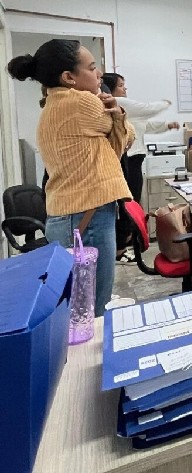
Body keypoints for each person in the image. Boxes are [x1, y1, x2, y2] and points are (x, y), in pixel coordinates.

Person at [8, 39, 132, 316]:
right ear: (69, 77)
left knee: (77, 307)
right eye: (91, 67)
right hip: (86, 215)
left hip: (74, 214)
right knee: (91, 308)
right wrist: (118, 113)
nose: (99, 73)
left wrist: (116, 119)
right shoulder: (81, 102)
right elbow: (126, 137)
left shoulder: (55, 102)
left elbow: (113, 147)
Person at [102, 72, 180, 203]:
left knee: (133, 198)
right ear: (110, 88)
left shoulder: (121, 109)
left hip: (134, 160)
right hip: (129, 160)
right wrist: (165, 103)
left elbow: (142, 125)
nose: (125, 88)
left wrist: (166, 126)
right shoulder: (118, 102)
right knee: (131, 200)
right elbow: (147, 109)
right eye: (120, 85)